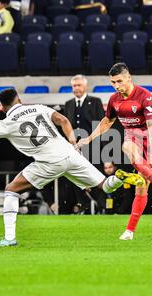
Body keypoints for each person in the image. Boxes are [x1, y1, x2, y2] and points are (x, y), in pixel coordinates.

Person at [0, 88, 144, 247]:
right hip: (69, 153)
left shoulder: (5, 122)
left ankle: (9, 238)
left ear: (3, 107)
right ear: (20, 99)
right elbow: (63, 120)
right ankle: (120, 177)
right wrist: (72, 142)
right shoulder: (38, 107)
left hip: (49, 161)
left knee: (11, 190)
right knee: (105, 186)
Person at [77, 62, 152, 240]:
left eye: (119, 81)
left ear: (129, 78)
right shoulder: (114, 100)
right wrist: (89, 138)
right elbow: (107, 122)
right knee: (126, 146)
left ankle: (130, 230)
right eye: (113, 82)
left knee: (142, 188)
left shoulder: (145, 96)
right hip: (133, 139)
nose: (116, 85)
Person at [61, 74, 106, 214]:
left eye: (79, 85)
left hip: (94, 149)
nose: (77, 88)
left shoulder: (96, 101)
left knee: (96, 178)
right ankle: (83, 206)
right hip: (75, 150)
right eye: (74, 86)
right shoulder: (68, 104)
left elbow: (101, 125)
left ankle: (102, 207)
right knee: (77, 178)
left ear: (85, 86)